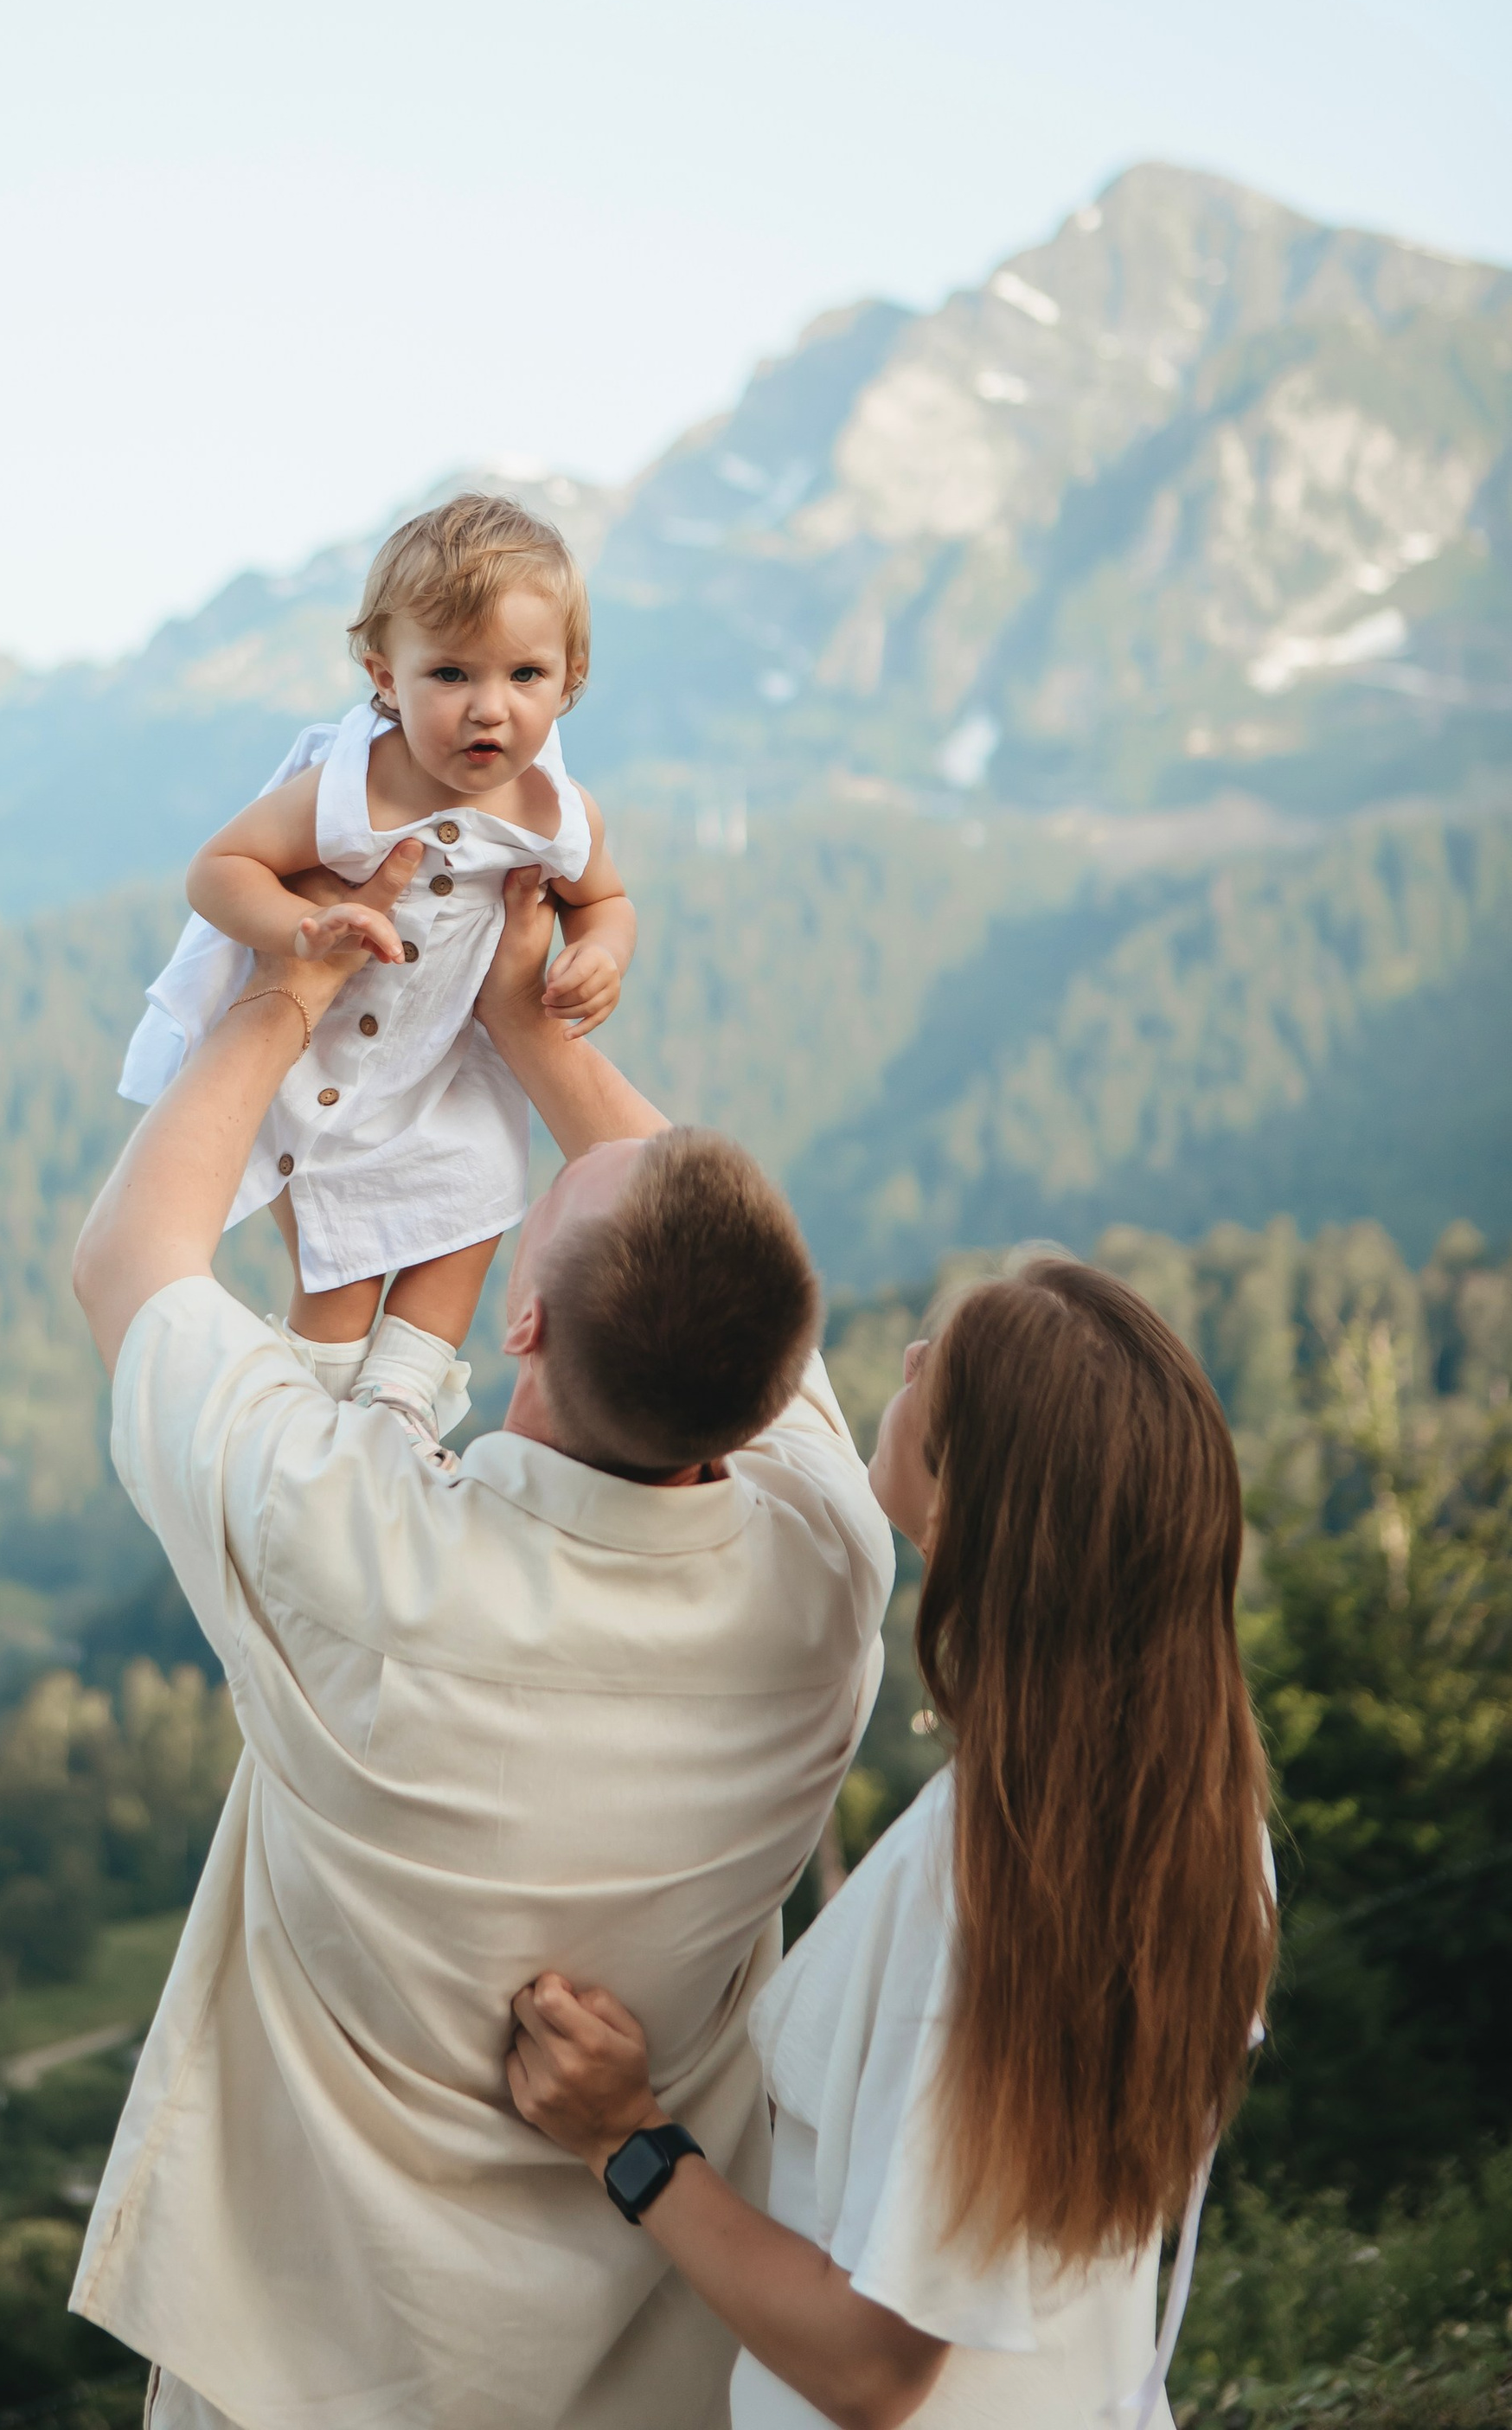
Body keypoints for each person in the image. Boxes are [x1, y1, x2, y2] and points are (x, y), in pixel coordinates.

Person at [70, 863, 894, 2430]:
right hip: (654, 2360)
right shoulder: (829, 1570)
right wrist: (531, 1031)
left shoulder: (363, 1562)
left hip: (311, 2361)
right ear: (779, 1381)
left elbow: (132, 1262)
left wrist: (288, 990)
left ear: (521, 1324)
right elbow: (682, 1218)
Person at [506, 1257, 1278, 2430]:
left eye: (940, 1372)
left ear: (976, 1507)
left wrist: (628, 2139)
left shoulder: (979, 1893)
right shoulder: (1206, 1828)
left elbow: (873, 2369)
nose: (908, 1361)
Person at [117, 491, 635, 1454]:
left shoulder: (558, 811)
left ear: (570, 681)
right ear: (382, 677)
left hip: (449, 1059)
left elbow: (603, 900)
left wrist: (597, 955)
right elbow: (218, 870)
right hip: (330, 1068)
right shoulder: (351, 788)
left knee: (471, 1208)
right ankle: (312, 1422)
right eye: (450, 673)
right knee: (345, 1264)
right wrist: (303, 925)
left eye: (526, 673)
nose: (490, 706)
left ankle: (399, 1407)